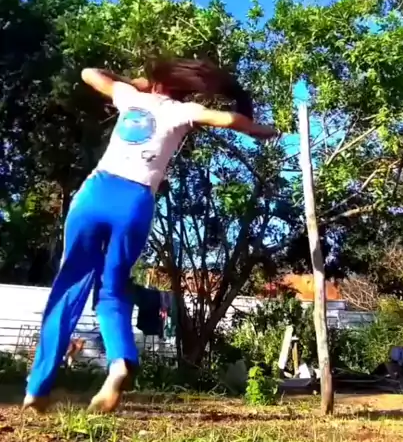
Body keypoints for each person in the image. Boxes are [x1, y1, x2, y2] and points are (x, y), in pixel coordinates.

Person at [23, 57, 277, 414]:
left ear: (155, 81)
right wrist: (261, 129)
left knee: (69, 285)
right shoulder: (185, 112)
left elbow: (89, 73)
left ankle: (37, 387)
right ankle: (119, 363)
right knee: (112, 289)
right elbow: (232, 120)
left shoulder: (129, 96)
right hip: (135, 202)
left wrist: (134, 82)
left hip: (96, 193)